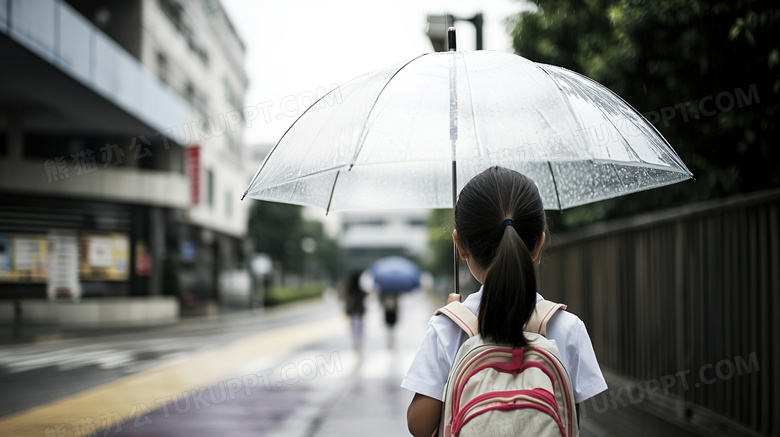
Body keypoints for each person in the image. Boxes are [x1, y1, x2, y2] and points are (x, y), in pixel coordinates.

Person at [401, 166, 608, 437]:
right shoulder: (567, 326)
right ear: (537, 245)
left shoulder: (448, 327)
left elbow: (419, 427)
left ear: (460, 244)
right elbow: (569, 419)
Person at [345, 270, 367, 351]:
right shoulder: (361, 289)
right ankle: (358, 344)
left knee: (354, 329)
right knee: (359, 329)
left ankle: (355, 345)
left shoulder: (350, 289)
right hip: (359, 312)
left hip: (353, 312)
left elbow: (347, 301)